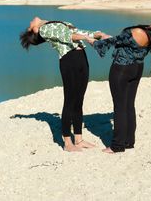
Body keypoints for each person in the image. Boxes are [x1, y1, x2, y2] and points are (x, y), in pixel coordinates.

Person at [87, 18, 151, 154]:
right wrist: (108, 37)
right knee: (129, 105)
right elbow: (123, 41)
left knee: (120, 107)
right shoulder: (149, 34)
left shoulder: (139, 32)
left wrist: (93, 41)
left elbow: (110, 43)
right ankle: (129, 141)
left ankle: (117, 146)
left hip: (122, 69)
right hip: (136, 68)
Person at [20, 17, 107, 152]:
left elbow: (76, 31)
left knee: (79, 100)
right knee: (70, 101)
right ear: (35, 30)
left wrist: (96, 34)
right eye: (29, 26)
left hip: (81, 58)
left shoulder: (53, 23)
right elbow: (69, 36)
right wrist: (87, 38)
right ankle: (67, 142)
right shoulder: (45, 29)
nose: (30, 22)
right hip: (69, 61)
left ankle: (79, 139)